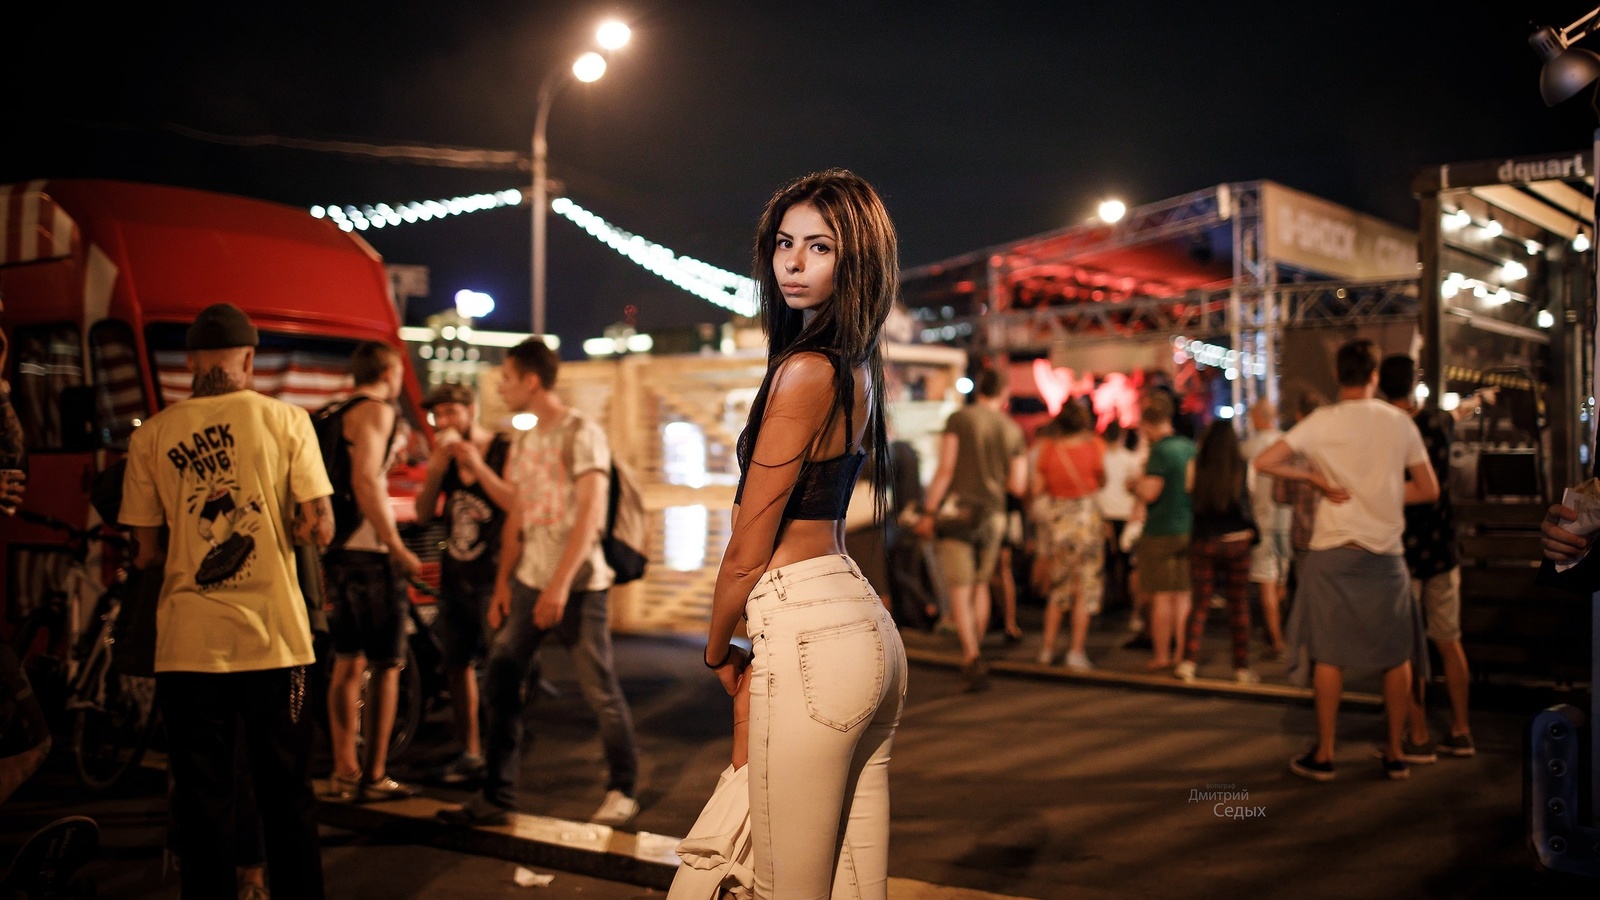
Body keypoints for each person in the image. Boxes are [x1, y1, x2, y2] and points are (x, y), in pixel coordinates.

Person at [694, 168, 908, 899]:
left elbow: (748, 548)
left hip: (808, 629)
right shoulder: (858, 371)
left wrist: (718, 646)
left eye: (818, 247)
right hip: (865, 626)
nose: (792, 262)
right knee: (853, 889)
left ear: (856, 261)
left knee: (778, 886)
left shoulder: (805, 373)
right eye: (785, 244)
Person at [118, 302, 329, 898]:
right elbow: (319, 529)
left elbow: (146, 553)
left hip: (187, 647)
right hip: (276, 642)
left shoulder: (154, 434)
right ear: (249, 357)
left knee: (202, 802)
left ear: (189, 362)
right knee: (288, 798)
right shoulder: (288, 421)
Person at [437, 337, 640, 828]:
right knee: (503, 674)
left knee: (599, 690)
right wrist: (505, 583)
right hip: (530, 580)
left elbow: (590, 514)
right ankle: (497, 793)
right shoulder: (525, 438)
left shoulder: (581, 431)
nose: (501, 387)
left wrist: (558, 588)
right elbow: (518, 514)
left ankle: (623, 788)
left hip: (579, 584)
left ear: (531, 381)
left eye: (506, 378)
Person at [1254, 339, 1438, 782]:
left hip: (1332, 553)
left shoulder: (1320, 421)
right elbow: (1429, 489)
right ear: (1374, 375)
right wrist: (1387, 497)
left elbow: (1264, 462)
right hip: (1386, 556)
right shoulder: (1399, 423)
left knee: (1329, 655)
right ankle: (1395, 752)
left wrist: (1313, 478)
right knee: (1396, 656)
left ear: (1338, 376)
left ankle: (1326, 753)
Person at [323, 341, 423, 803]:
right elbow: (366, 479)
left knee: (346, 661)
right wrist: (396, 545)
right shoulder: (378, 411)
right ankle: (375, 774)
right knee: (388, 664)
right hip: (369, 554)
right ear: (389, 369)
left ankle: (344, 769)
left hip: (336, 553)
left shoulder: (333, 411)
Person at [1379, 355, 1491, 761]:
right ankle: (1461, 730)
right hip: (1443, 547)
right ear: (1414, 384)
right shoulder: (1439, 422)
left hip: (1401, 551)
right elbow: (1458, 411)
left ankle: (1420, 734)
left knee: (1405, 647)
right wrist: (1479, 400)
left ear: (1379, 385)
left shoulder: (1383, 429)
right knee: (1448, 640)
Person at [413, 383, 514, 784]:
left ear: (471, 409)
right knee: (456, 665)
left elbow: (512, 501)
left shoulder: (501, 447)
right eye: (438, 416)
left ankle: (500, 760)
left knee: (500, 670)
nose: (444, 422)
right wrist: (436, 470)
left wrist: (477, 464)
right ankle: (470, 751)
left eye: (451, 412)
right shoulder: (442, 459)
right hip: (455, 576)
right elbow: (422, 515)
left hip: (493, 577)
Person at [913, 368, 1027, 691]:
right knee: (980, 584)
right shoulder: (1013, 430)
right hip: (994, 515)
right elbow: (1018, 485)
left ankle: (972, 654)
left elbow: (946, 469)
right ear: (1003, 394)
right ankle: (976, 647)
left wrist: (929, 511)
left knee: (960, 590)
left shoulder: (960, 420)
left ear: (978, 390)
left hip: (959, 514)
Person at [1175, 419, 1260, 684]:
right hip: (1237, 541)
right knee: (1238, 604)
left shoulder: (1196, 466)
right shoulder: (1243, 467)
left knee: (1200, 602)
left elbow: (1191, 495)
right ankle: (1241, 667)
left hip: (1205, 541)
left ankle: (1188, 662)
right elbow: (1250, 498)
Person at [1029, 398, 1106, 669]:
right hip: (1086, 521)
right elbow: (1101, 479)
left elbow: (1037, 487)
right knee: (1084, 587)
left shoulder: (1049, 450)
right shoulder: (1094, 446)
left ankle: (1047, 650)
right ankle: (1075, 651)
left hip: (1059, 521)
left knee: (1059, 587)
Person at [1129, 391, 1196, 671]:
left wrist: (1134, 485)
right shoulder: (1189, 447)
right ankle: (1183, 652)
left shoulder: (1160, 451)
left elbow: (1151, 492)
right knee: (1182, 595)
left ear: (1147, 423)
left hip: (1161, 529)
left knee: (1161, 596)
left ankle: (1162, 654)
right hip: (1188, 525)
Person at [1240, 398, 1290, 659]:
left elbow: (1245, 489)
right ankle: (1278, 629)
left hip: (1264, 520)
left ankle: (1276, 639)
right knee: (1282, 579)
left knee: (1267, 582)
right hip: (1289, 521)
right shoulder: (1289, 443)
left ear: (1258, 418)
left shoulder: (1249, 448)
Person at [1095, 420, 1138, 620]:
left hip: (1104, 514)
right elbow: (1134, 486)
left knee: (1107, 561)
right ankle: (1127, 599)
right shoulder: (1130, 459)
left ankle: (1108, 598)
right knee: (1127, 560)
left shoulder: (1099, 457)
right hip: (1125, 513)